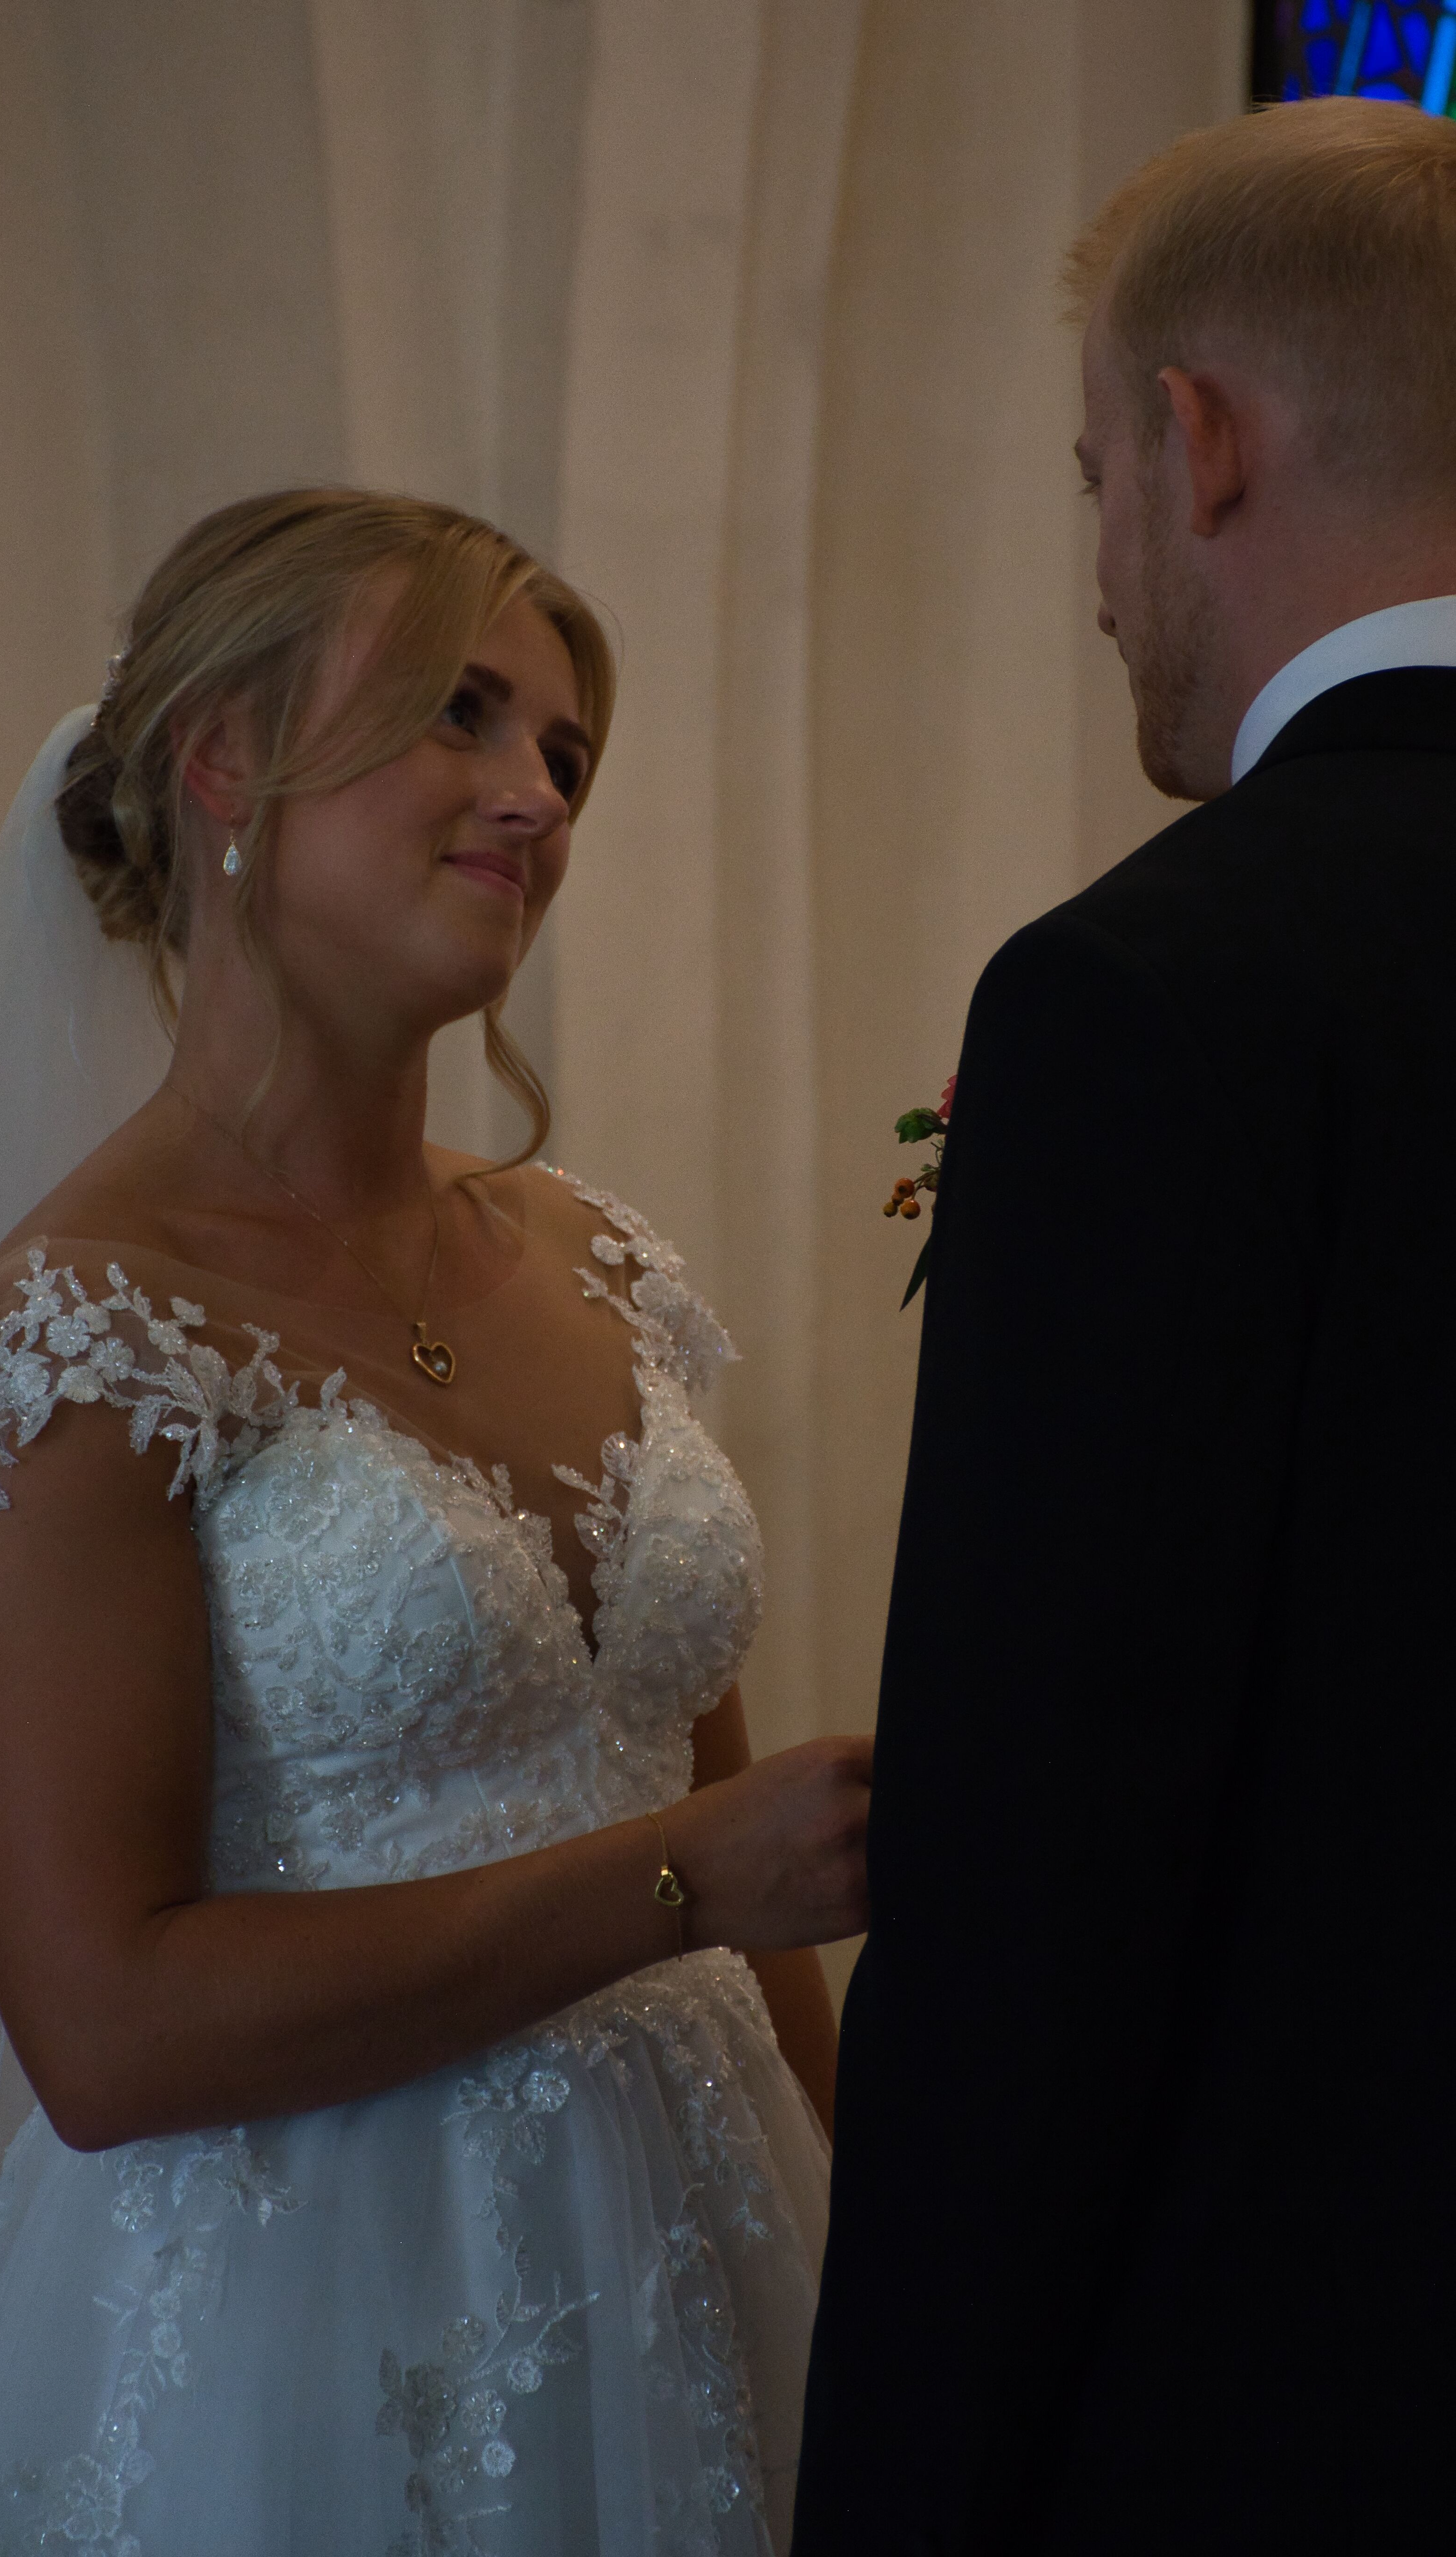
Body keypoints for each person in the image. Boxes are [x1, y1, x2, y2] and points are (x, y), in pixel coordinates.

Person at [0, 490, 870, 2556]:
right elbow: (107, 2029)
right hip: (312, 2344)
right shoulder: (79, 1336)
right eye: (461, 713)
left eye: (565, 750)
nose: (538, 795)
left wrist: (884, 2245)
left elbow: (705, 1815)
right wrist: (680, 1880)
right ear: (225, 760)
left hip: (716, 2257)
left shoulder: (601, 1263)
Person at [795, 96, 1456, 2554]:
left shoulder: (1156, 992)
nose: (1096, 573)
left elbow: (1041, 1890)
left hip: (1305, 2403)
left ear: (1199, 438)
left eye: (1091, 477)